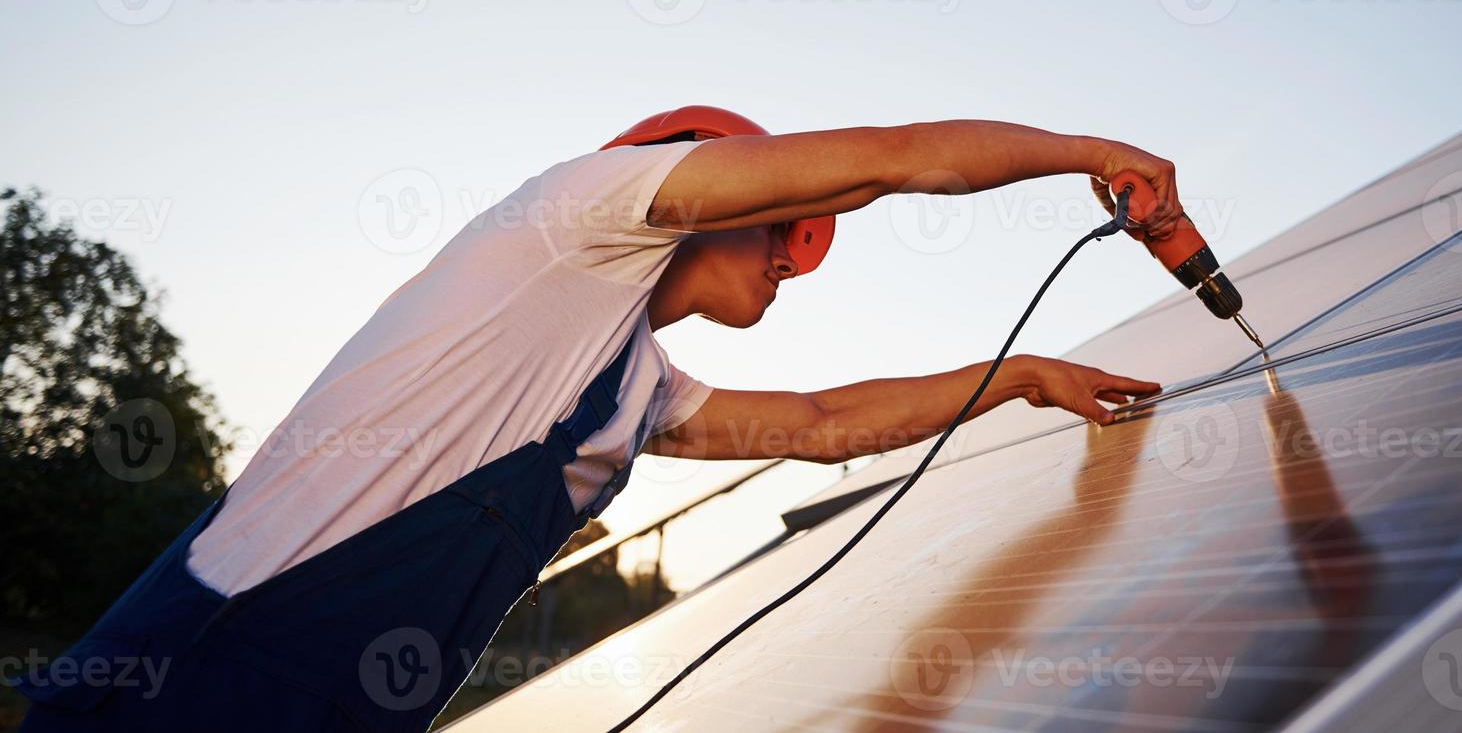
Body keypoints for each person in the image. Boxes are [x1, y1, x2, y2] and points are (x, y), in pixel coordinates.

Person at [17, 106, 1176, 732]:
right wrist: (1090, 152)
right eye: (775, 216)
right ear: (697, 185)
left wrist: (1021, 374)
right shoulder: (570, 219)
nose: (788, 250)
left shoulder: (636, 387)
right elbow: (883, 160)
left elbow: (826, 421)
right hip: (204, 672)